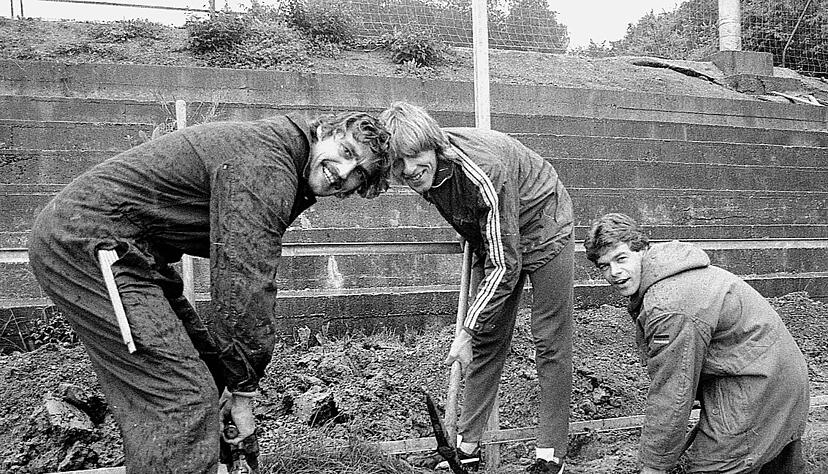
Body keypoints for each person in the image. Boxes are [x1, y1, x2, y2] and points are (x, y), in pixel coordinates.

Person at [27, 111, 390, 472]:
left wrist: (234, 380)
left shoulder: (281, 157)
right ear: (326, 131)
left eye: (358, 173)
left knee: (209, 373)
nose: (343, 172)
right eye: (345, 151)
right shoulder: (266, 165)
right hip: (90, 243)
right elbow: (244, 281)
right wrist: (245, 390)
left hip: (133, 251)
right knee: (182, 400)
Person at [380, 102, 574, 473]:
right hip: (497, 228)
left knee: (550, 341)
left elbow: (506, 263)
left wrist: (465, 329)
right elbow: (486, 229)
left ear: (434, 146)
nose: (408, 170)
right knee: (487, 338)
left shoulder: (484, 172)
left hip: (543, 221)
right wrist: (472, 229)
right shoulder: (418, 170)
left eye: (415, 157)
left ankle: (551, 456)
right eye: (398, 163)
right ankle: (466, 447)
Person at [583, 213, 809, 474]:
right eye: (604, 265)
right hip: (778, 374)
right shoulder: (668, 273)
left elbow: (672, 393)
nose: (615, 272)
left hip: (758, 384)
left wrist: (653, 466)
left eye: (621, 258)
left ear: (642, 250)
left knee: (711, 467)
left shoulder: (669, 305)